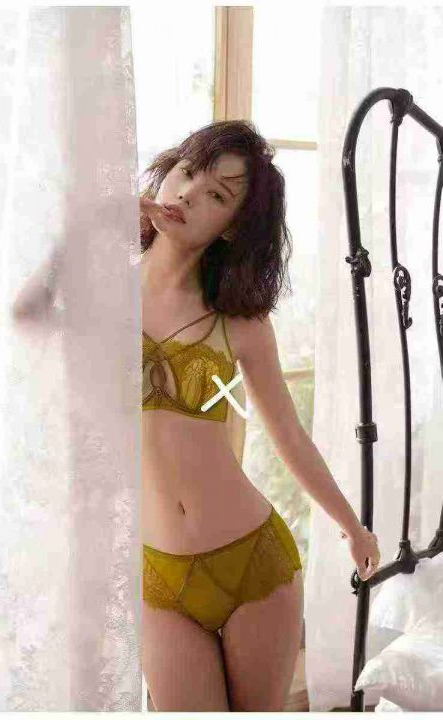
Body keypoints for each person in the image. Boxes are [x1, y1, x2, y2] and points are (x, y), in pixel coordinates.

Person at [140, 119, 381, 712]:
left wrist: (351, 527)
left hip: (254, 563)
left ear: (232, 227)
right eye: (186, 172)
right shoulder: (105, 287)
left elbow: (288, 436)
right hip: (155, 575)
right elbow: (23, 310)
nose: (189, 194)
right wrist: (105, 215)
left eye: (217, 195)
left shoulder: (240, 320)